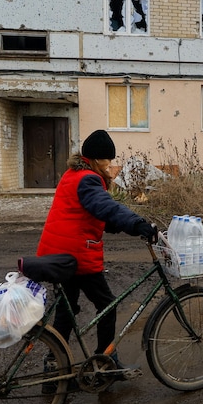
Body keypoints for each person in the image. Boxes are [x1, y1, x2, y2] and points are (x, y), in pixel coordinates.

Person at [36, 129, 157, 378]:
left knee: (66, 310)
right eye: (107, 160)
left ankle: (53, 368)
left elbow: (93, 212)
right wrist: (137, 223)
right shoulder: (88, 179)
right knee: (107, 305)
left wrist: (119, 225)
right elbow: (105, 206)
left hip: (58, 253)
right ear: (95, 159)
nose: (109, 165)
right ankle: (105, 364)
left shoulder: (73, 175)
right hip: (75, 255)